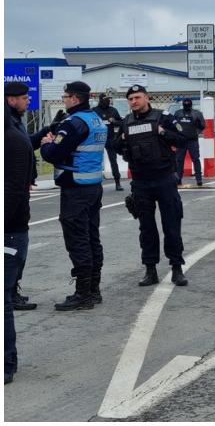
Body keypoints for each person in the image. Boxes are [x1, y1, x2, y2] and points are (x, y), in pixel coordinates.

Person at [38, 81, 106, 311]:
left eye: (65, 96)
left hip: (76, 188)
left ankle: (83, 294)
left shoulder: (73, 123)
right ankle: (94, 289)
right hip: (93, 185)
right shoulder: (96, 119)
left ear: (75, 98)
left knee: (78, 241)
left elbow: (54, 153)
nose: (64, 100)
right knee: (91, 238)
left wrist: (47, 143)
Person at [113, 85, 190, 287]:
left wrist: (163, 133)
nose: (134, 101)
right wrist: (122, 143)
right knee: (146, 228)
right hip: (141, 182)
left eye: (137, 97)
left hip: (164, 178)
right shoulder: (126, 123)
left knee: (171, 225)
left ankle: (176, 268)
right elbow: (115, 146)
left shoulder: (163, 118)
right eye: (130, 98)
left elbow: (183, 140)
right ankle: (150, 270)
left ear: (147, 98)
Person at [5, 82, 38, 383]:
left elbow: (14, 190)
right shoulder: (12, 130)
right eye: (25, 97)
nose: (29, 100)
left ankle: (6, 364)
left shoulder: (11, 137)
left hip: (10, 231)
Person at [94, 93, 124, 191]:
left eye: (109, 99)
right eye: (105, 99)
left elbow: (121, 123)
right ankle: (95, 183)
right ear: (101, 100)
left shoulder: (113, 110)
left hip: (110, 139)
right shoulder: (94, 111)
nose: (108, 101)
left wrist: (114, 121)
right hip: (97, 140)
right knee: (96, 161)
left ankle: (117, 182)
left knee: (113, 161)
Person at [172, 98, 205, 187]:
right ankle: (178, 179)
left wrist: (195, 133)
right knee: (179, 160)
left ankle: (199, 179)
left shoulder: (197, 113)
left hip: (192, 141)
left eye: (188, 104)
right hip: (180, 141)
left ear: (190, 105)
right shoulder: (178, 113)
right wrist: (175, 137)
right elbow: (173, 125)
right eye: (185, 104)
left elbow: (202, 126)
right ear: (183, 105)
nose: (186, 106)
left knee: (195, 159)